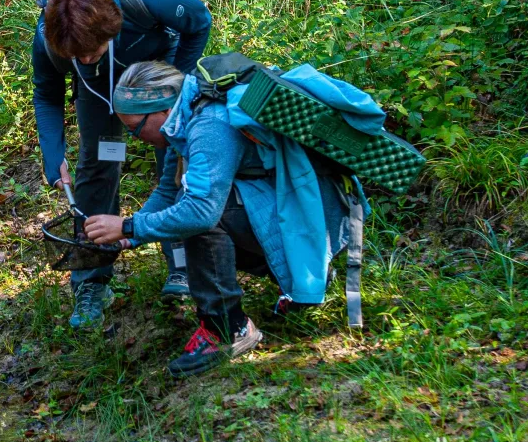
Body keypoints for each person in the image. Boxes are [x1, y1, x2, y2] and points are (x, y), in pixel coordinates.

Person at [82, 61, 360, 378]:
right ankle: (306, 273)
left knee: (198, 216)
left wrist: (130, 225)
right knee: (189, 206)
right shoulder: (185, 116)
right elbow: (168, 189)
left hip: (311, 214)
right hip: (288, 204)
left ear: (160, 111)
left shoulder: (209, 125)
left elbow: (200, 212)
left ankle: (227, 328)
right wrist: (131, 232)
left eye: (135, 128)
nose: (135, 137)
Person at [33, 0, 210, 330]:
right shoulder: (51, 39)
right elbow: (46, 93)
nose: (81, 58)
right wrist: (54, 156)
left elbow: (199, 21)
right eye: (74, 55)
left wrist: (177, 84)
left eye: (88, 51)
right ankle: (92, 283)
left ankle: (181, 266)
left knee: (173, 157)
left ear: (110, 30)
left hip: (155, 65)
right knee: (100, 163)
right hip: (98, 87)